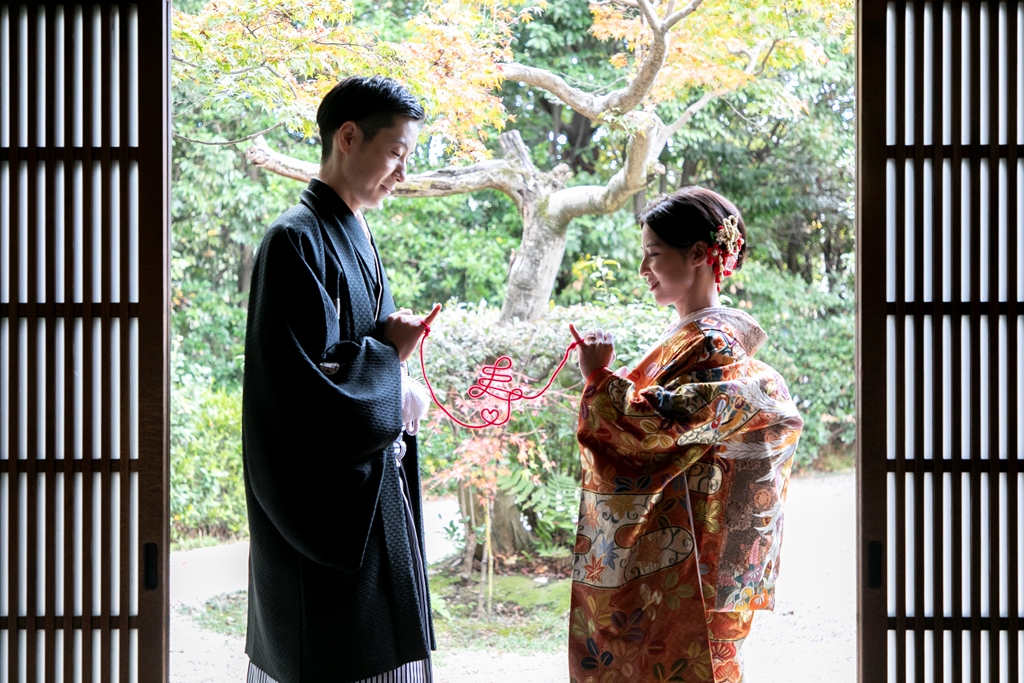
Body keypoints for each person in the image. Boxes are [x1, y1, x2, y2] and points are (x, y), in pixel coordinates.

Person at [242, 75, 440, 683]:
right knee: (334, 653)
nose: (403, 173)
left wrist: (387, 355)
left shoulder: (355, 232)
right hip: (324, 509)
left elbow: (346, 355)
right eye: (396, 153)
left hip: (369, 492)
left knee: (384, 650)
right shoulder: (293, 240)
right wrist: (389, 358)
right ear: (348, 137)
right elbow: (300, 391)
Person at [567, 187, 804, 683]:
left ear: (699, 253)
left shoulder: (710, 343)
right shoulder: (695, 341)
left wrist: (600, 381)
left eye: (653, 254)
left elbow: (653, 429)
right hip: (699, 548)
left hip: (698, 556)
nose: (643, 269)